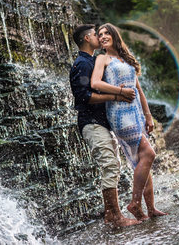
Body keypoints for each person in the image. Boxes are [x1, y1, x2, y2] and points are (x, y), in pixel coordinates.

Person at [91, 23, 167, 221]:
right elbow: (95, 83)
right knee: (148, 154)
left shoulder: (126, 58)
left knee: (142, 160)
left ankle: (150, 209)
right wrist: (119, 91)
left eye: (107, 33)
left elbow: (139, 90)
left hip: (136, 113)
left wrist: (148, 115)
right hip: (119, 113)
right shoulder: (102, 58)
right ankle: (135, 203)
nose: (103, 36)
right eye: (100, 34)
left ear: (115, 35)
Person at [70, 24, 141, 227]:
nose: (99, 38)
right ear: (86, 39)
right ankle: (114, 216)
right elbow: (83, 97)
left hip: (101, 123)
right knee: (109, 165)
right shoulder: (82, 64)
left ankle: (113, 214)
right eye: (95, 34)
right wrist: (118, 94)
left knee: (114, 164)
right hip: (91, 123)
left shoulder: (94, 60)